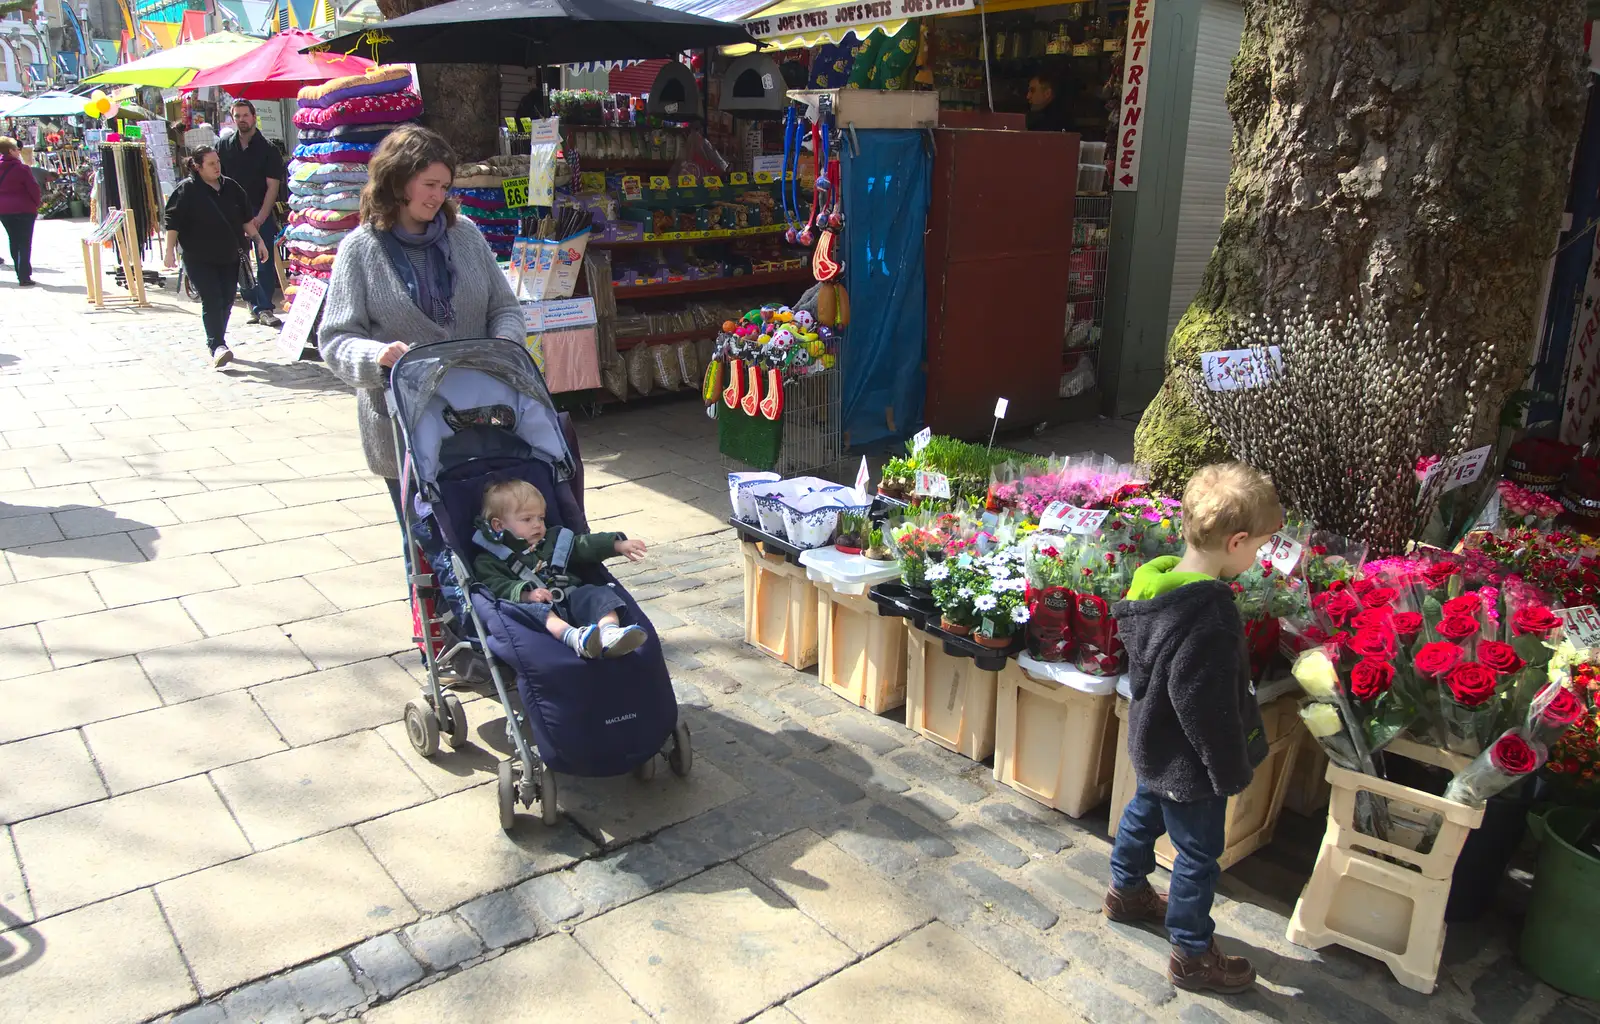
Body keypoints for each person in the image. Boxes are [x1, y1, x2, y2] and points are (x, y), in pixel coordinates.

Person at [1104, 462, 1280, 995]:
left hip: (1154, 738)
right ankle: (1191, 951)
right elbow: (1205, 704)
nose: (1258, 558)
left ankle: (1126, 891)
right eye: (1259, 547)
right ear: (1237, 541)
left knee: (1144, 810)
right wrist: (1226, 768)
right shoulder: (1208, 616)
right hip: (1192, 756)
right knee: (1198, 852)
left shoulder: (1153, 584)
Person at [318, 124, 528, 542]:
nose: (437, 196)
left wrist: (505, 345)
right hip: (403, 425)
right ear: (397, 180)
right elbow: (336, 336)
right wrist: (376, 355)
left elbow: (504, 307)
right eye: (428, 184)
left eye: (445, 186)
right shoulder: (360, 250)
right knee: (427, 542)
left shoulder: (465, 235)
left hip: (477, 413)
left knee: (486, 534)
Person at [472, 479, 649, 659]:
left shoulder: (555, 539)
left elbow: (584, 545)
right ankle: (574, 639)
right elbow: (493, 585)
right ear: (499, 525)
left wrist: (617, 545)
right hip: (539, 609)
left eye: (540, 518)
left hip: (570, 597)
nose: (537, 524)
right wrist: (526, 595)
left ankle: (610, 633)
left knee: (598, 594)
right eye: (527, 519)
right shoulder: (490, 559)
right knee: (536, 611)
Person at [163, 146, 265, 369]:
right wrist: (169, 250)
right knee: (212, 298)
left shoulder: (231, 187)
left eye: (217, 162)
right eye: (211, 163)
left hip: (230, 255)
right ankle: (217, 344)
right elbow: (173, 223)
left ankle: (219, 341)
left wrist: (259, 241)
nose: (217, 166)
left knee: (227, 299)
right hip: (199, 257)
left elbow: (245, 219)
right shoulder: (187, 190)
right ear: (198, 167)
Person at [218, 98, 285, 329]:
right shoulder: (225, 145)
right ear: (232, 118)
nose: (242, 120)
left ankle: (265, 306)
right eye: (237, 116)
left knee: (265, 260)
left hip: (260, 209)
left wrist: (261, 217)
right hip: (234, 212)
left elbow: (272, 187)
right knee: (240, 259)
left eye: (245, 115)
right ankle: (251, 303)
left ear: (254, 117)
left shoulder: (268, 149)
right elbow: (219, 180)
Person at [0, 136, 42, 287]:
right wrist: (36, 204)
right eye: (17, 149)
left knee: (14, 240)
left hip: (4, 210)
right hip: (24, 209)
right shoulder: (22, 169)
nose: (19, 151)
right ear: (10, 151)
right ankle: (24, 275)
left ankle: (20, 271)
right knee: (24, 242)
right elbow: (34, 189)